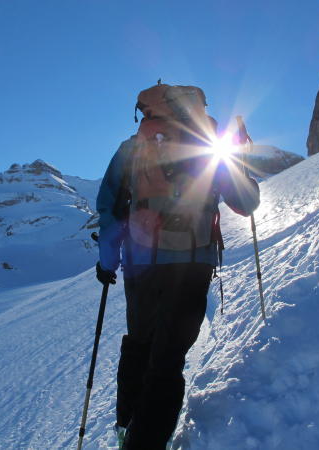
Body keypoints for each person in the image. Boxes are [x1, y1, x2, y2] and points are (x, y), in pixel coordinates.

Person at [95, 84, 260, 450]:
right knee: (167, 357)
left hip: (140, 264)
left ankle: (126, 427)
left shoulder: (133, 147)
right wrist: (239, 159)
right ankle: (147, 442)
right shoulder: (207, 145)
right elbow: (245, 202)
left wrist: (107, 261)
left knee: (139, 343)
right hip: (192, 261)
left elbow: (109, 206)